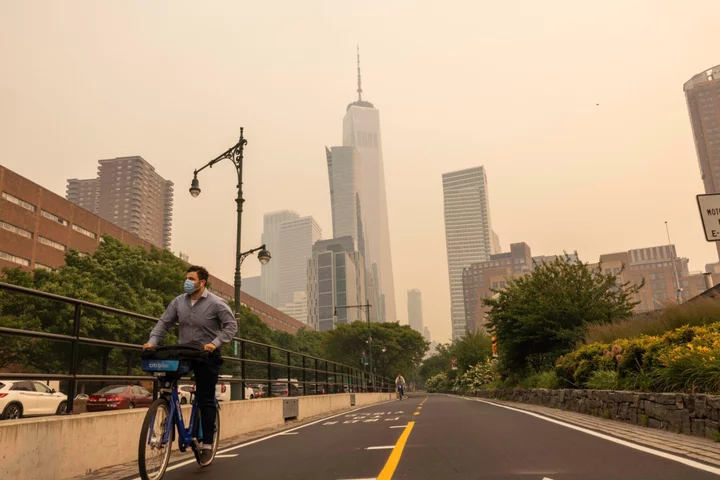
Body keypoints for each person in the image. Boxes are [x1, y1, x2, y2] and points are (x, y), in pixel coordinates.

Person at [143, 265, 237, 466]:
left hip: (207, 354)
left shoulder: (216, 303)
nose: (187, 281)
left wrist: (215, 343)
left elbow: (231, 326)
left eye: (191, 278)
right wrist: (152, 342)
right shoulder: (178, 302)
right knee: (167, 385)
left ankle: (207, 445)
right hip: (184, 353)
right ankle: (167, 409)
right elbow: (163, 323)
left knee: (205, 398)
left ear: (201, 282)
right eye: (186, 278)